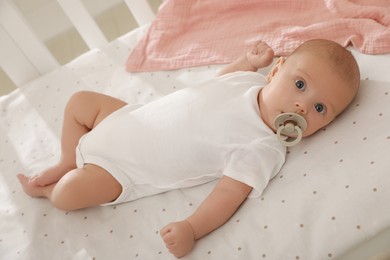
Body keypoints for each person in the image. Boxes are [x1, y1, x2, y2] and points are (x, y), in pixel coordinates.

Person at [17, 39, 360, 258]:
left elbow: (228, 193)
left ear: (325, 125)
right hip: (127, 118)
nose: (302, 106)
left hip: (124, 168)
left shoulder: (265, 146)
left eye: (319, 109)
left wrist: (192, 227)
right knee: (79, 102)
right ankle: (66, 159)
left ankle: (53, 189)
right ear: (277, 70)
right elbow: (217, 84)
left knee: (68, 194)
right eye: (300, 85)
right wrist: (247, 60)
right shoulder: (250, 80)